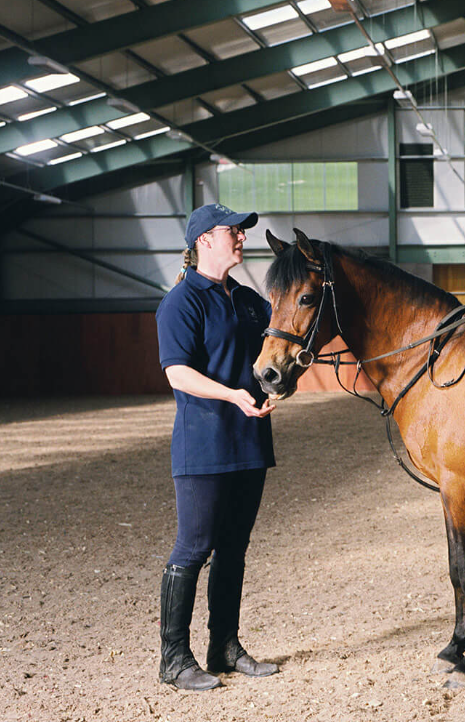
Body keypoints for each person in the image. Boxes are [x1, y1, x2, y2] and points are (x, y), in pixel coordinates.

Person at [154, 203, 279, 691]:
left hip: (250, 440)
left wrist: (273, 391)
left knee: (234, 548)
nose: (242, 238)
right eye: (234, 231)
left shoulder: (249, 301)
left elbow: (275, 354)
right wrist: (231, 394)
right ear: (204, 240)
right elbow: (176, 372)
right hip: (204, 445)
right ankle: (173, 658)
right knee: (194, 546)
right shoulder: (182, 302)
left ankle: (224, 646)